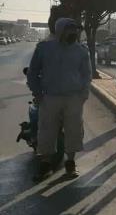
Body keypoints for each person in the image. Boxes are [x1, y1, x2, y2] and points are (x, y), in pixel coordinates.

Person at [27, 18, 91, 181]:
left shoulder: (81, 50)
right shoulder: (44, 48)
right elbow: (32, 72)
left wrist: (83, 94)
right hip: (49, 97)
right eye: (70, 30)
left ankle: (70, 163)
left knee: (74, 130)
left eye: (76, 30)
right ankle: (46, 164)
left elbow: (87, 74)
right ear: (60, 30)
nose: (74, 33)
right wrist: (38, 93)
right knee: (47, 131)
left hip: (73, 98)